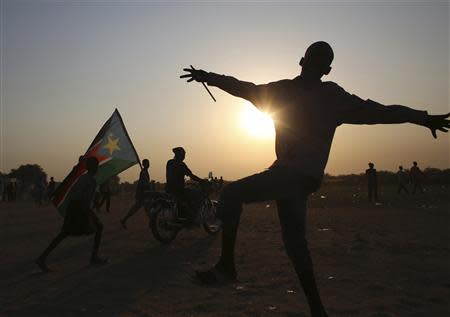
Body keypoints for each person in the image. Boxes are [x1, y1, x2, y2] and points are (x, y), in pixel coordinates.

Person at [180, 41, 450, 317]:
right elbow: (380, 111)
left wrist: (209, 77)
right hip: (299, 180)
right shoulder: (314, 94)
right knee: (296, 246)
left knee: (231, 194)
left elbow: (244, 88)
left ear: (305, 61)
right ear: (325, 69)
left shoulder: (302, 93)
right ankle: (318, 311)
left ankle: (227, 268)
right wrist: (422, 118)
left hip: (291, 176)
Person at [36, 157, 107, 272]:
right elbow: (86, 199)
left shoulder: (82, 178)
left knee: (64, 233)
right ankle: (94, 258)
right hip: (80, 209)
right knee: (98, 228)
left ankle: (42, 258)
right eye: (97, 165)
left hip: (73, 208)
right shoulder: (91, 181)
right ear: (94, 167)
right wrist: (88, 213)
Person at [165, 147, 205, 222]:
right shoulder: (181, 164)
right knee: (197, 195)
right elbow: (191, 175)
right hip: (179, 189)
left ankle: (185, 214)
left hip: (169, 188)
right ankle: (192, 217)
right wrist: (202, 181)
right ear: (180, 155)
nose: (184, 156)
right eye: (183, 154)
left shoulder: (169, 162)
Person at [120, 159, 151, 229]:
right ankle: (124, 219)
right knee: (136, 208)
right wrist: (148, 187)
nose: (148, 164)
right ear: (143, 164)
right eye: (146, 163)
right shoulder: (143, 172)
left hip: (144, 193)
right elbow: (143, 184)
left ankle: (152, 222)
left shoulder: (145, 172)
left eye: (148, 163)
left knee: (147, 208)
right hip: (142, 194)